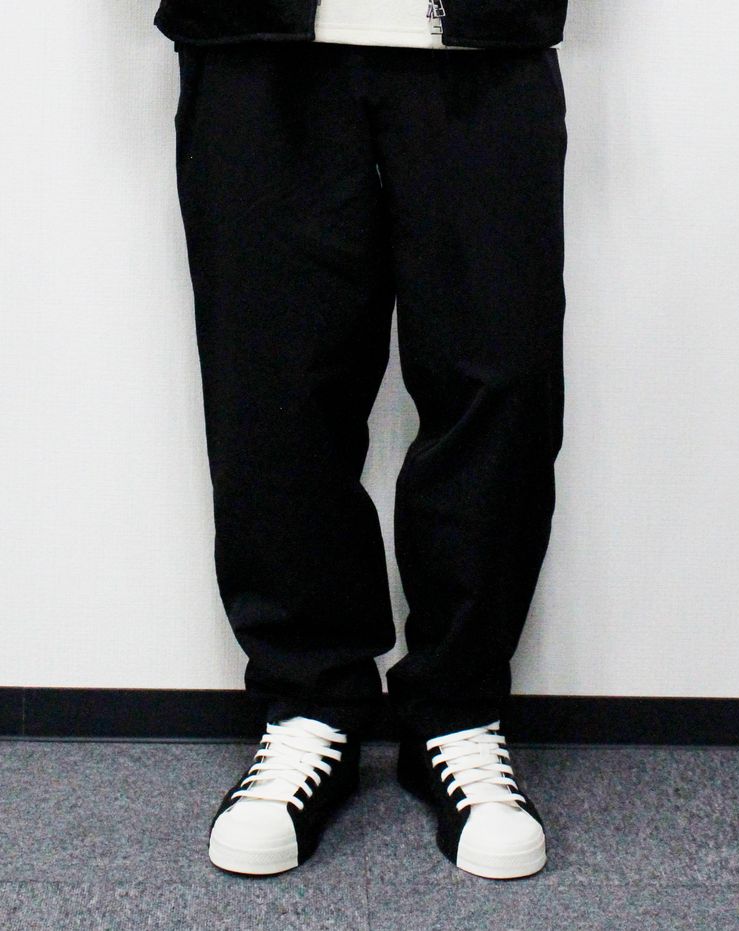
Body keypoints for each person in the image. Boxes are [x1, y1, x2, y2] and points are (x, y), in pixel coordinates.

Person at [153, 0, 569, 881]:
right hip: (255, 38)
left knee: (501, 375)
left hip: (482, 35)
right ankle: (309, 702)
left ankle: (458, 707)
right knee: (272, 383)